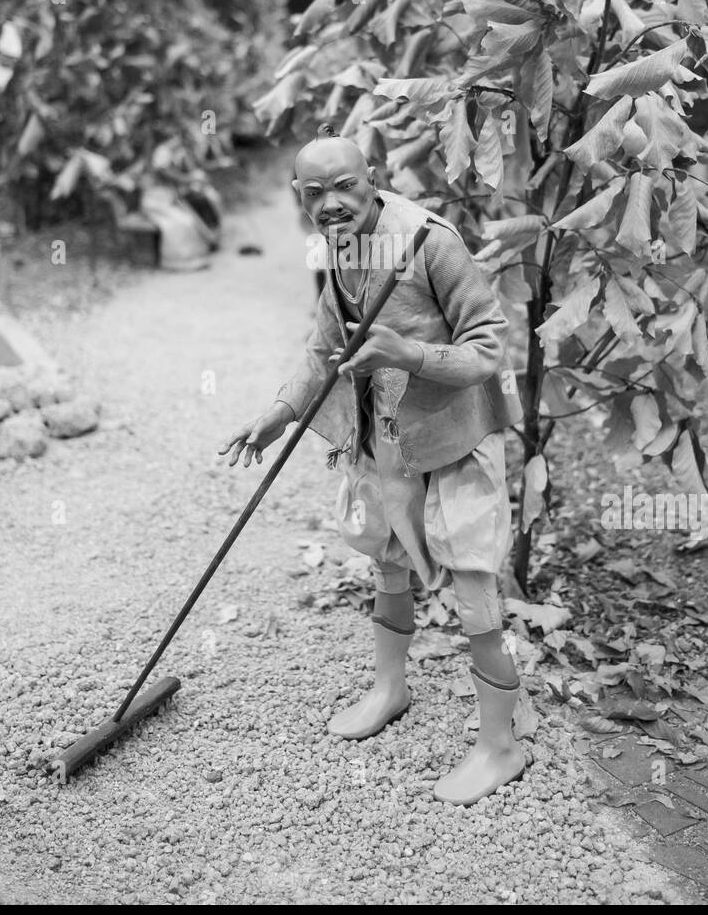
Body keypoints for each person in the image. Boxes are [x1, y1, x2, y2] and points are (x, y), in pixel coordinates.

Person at [219, 128, 525, 805]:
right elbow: (326, 344)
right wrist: (278, 414)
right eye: (314, 193)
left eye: (345, 185)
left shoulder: (430, 242)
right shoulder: (333, 245)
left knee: (473, 590)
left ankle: (501, 746)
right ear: (300, 198)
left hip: (451, 437)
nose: (331, 203)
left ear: (374, 177)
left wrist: (412, 355)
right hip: (384, 435)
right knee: (387, 559)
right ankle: (391, 688)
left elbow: (491, 346)